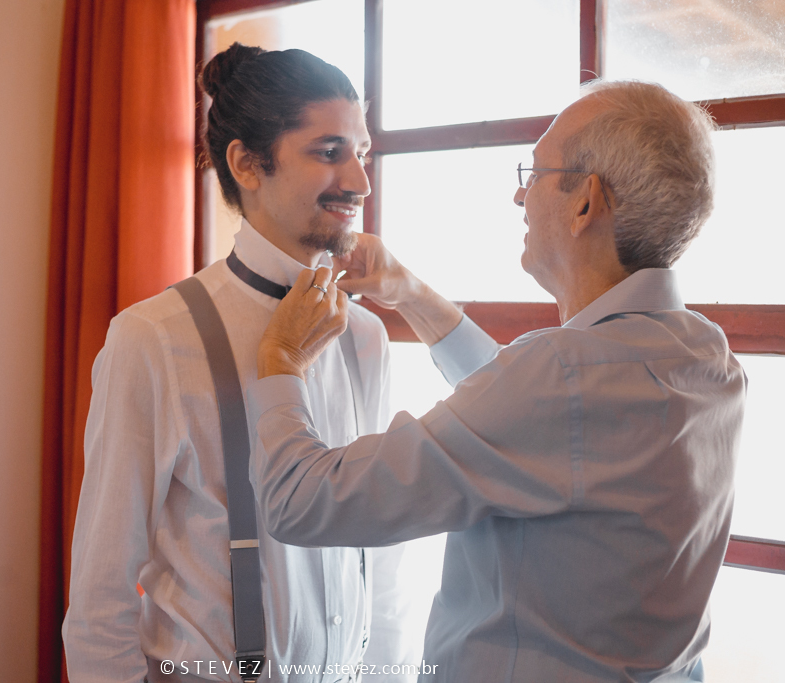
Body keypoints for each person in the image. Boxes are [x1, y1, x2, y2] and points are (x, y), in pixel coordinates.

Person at [247, 80, 746, 682]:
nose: (518, 195)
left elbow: (301, 502)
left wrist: (279, 360)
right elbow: (542, 428)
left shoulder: (561, 378)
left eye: (533, 172)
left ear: (586, 202)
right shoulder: (707, 358)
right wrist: (411, 293)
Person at [63, 43, 418, 683]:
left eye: (361, 154)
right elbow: (100, 596)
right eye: (329, 151)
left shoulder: (365, 337)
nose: (361, 181)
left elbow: (383, 554)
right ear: (248, 164)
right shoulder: (152, 339)